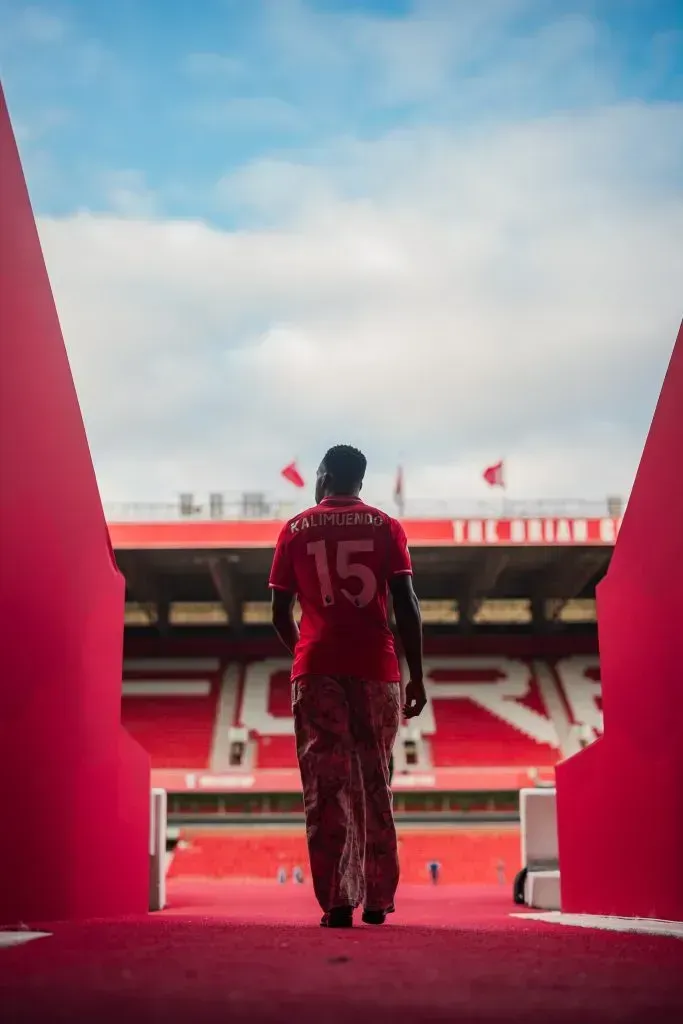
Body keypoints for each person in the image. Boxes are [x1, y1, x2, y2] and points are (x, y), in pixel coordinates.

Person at [269, 445, 426, 928]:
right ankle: (378, 900)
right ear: (359, 481)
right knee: (375, 781)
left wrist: (306, 654)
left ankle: (338, 901)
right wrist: (416, 673)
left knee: (326, 786)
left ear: (324, 476)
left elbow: (278, 612)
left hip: (317, 667)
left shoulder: (294, 529)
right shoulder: (386, 527)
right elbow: (406, 600)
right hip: (376, 668)